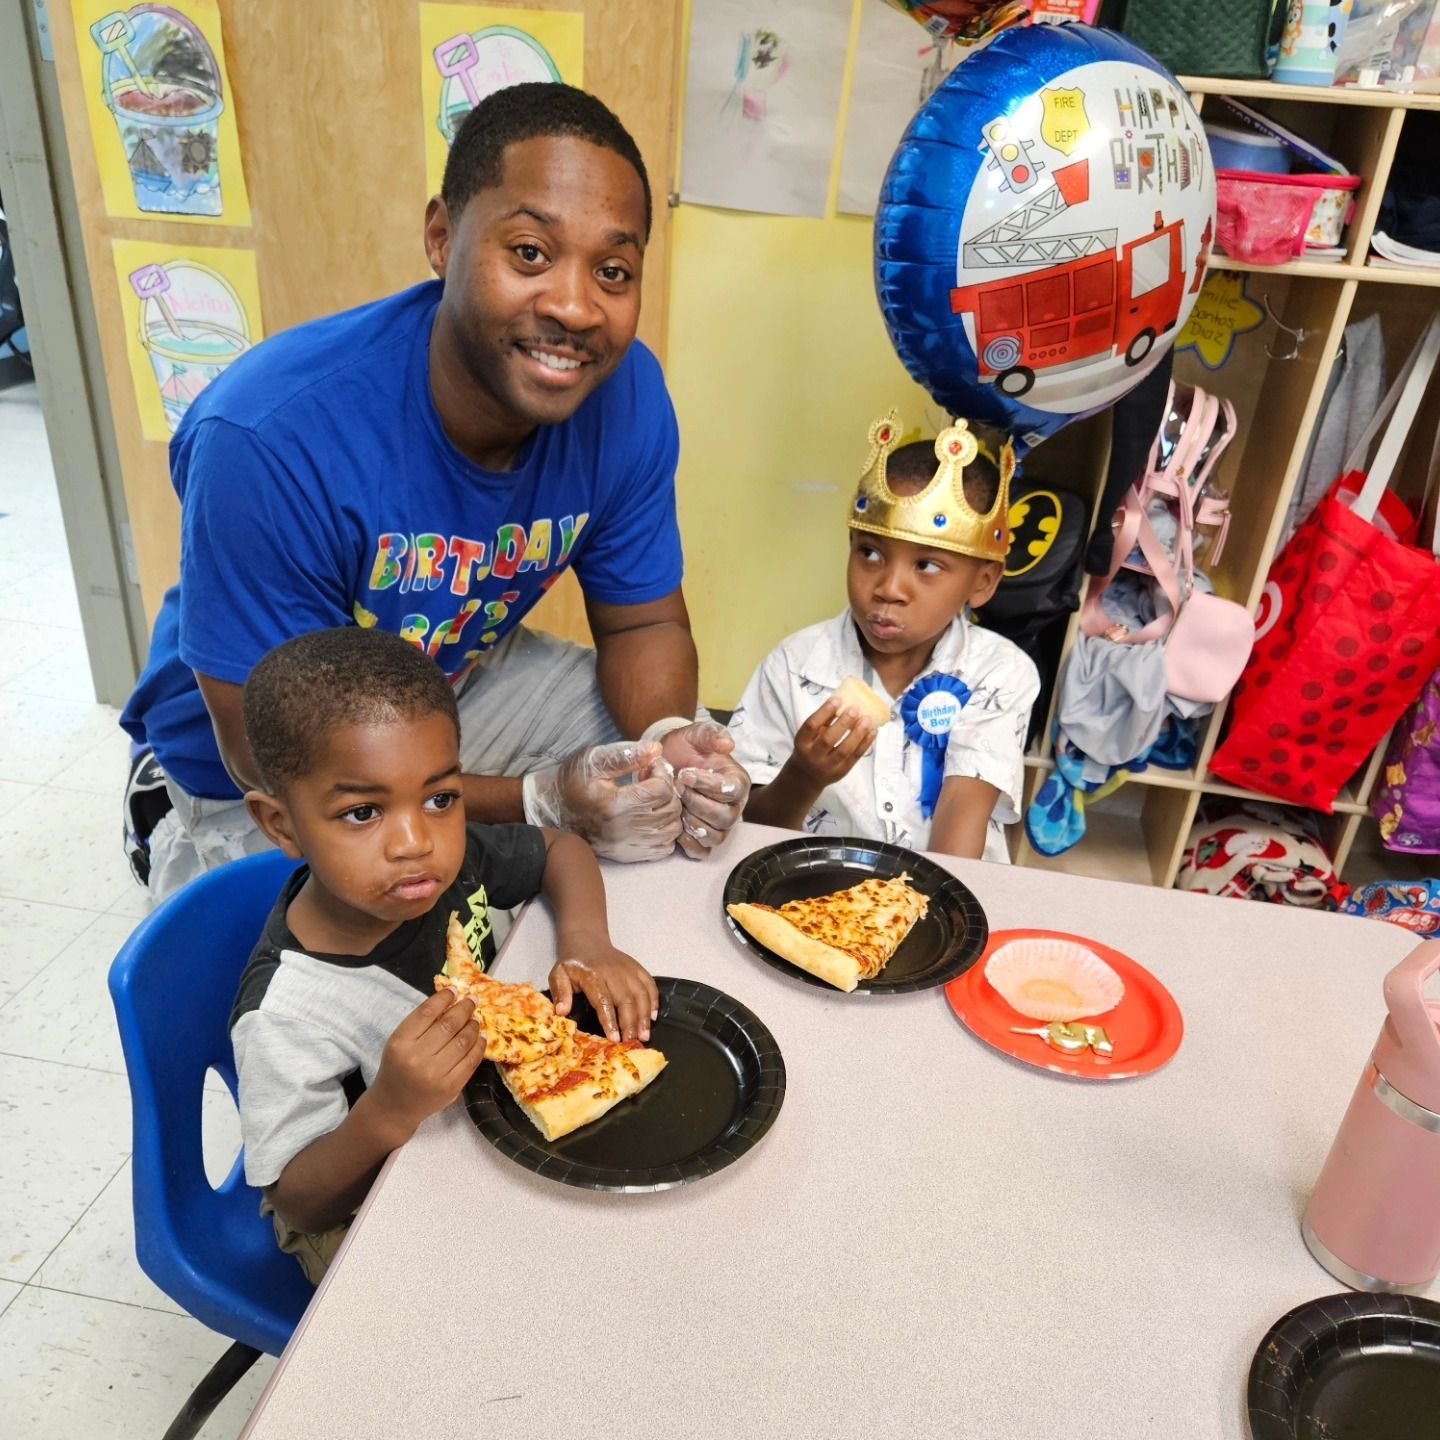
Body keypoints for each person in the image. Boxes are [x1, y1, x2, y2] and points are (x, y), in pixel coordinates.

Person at [119, 82, 749, 901]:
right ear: (442, 237)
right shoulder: (269, 437)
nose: (573, 305)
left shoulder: (625, 397)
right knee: (364, 971)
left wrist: (668, 743)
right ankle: (166, 826)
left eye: (613, 270)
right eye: (530, 253)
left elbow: (647, 620)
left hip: (452, 675)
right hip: (258, 762)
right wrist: (538, 802)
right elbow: (272, 756)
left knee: (650, 788)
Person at [229, 627, 660, 1283]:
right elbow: (298, 1200)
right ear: (282, 825)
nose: (414, 842)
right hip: (361, 1208)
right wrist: (387, 1110)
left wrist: (587, 942)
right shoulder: (289, 1014)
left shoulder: (446, 870)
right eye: (363, 812)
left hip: (483, 1137)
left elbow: (558, 850)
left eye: (440, 798)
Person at [733, 414, 1039, 862]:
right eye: (870, 553)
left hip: (943, 897)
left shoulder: (1000, 673)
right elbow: (753, 834)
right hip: (812, 900)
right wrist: (804, 775)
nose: (889, 589)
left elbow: (960, 826)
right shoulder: (793, 665)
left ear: (983, 583)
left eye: (927, 566)